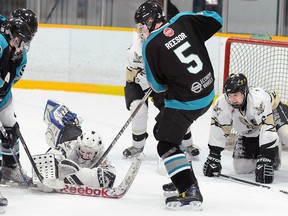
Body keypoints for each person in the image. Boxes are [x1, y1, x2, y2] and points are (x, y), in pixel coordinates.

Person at [135, 0, 222, 209]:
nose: (141, 30)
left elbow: (157, 85)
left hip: (187, 102)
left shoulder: (150, 45)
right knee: (164, 127)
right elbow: (216, 20)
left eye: (142, 25)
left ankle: (189, 188)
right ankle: (181, 173)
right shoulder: (183, 20)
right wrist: (188, 24)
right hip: (208, 91)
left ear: (151, 20)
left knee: (165, 142)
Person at [123, 0, 199, 160]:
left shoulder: (169, 40)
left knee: (174, 112)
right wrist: (142, 78)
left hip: (161, 85)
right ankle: (137, 146)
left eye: (143, 24)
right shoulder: (135, 50)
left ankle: (188, 143)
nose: (140, 29)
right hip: (139, 83)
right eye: (139, 25)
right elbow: (130, 75)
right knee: (138, 109)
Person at [203, 73, 279, 184]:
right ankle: (259, 149)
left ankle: (276, 148)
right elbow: (219, 127)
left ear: (244, 92)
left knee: (286, 135)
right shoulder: (222, 103)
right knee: (242, 168)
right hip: (251, 130)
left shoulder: (259, 101)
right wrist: (214, 155)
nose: (232, 99)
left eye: (236, 95)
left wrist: (266, 158)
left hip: (274, 112)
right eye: (230, 95)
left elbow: (267, 127)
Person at [35, 100, 116, 192]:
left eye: (89, 153)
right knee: (60, 135)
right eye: (82, 151)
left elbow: (110, 177)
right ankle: (69, 123)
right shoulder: (71, 145)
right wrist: (51, 172)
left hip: (74, 138)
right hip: (67, 136)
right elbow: (51, 155)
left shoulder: (101, 155)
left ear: (97, 151)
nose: (85, 155)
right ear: (79, 146)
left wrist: (80, 174)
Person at [0, 15, 36, 185]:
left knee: (12, 130)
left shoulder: (18, 55)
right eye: (20, 40)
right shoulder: (1, 43)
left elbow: (8, 82)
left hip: (3, 97)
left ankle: (10, 168)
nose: (22, 46)